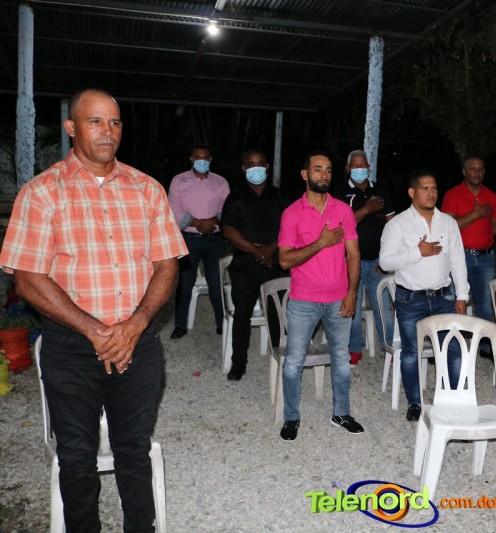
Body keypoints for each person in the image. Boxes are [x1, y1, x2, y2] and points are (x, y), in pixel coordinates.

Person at [0, 88, 187, 531]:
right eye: (95, 121)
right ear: (71, 127)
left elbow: (167, 266)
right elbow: (28, 278)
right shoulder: (41, 193)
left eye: (115, 122)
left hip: (137, 345)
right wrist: (97, 332)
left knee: (133, 450)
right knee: (78, 457)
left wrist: (135, 325)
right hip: (71, 349)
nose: (108, 131)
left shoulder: (147, 189)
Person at [277, 151, 364, 441]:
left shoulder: (343, 210)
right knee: (293, 362)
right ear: (305, 175)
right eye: (317, 169)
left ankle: (341, 413)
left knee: (341, 359)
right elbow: (284, 260)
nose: (323, 174)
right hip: (304, 300)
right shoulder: (292, 213)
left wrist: (351, 293)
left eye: (328, 170)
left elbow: (354, 254)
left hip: (339, 298)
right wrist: (321, 243)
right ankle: (291, 417)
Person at [379, 170, 470, 422]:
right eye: (425, 188)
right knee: (411, 352)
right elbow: (385, 262)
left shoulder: (448, 223)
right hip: (411, 298)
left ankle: (453, 400)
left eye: (434, 188)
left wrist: (461, 296)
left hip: (444, 297)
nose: (431, 193)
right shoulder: (398, 224)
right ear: (412, 192)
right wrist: (418, 252)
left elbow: (458, 260)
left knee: (453, 348)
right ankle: (415, 402)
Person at [220, 149, 286, 381]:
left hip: (275, 263)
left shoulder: (279, 196)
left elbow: (291, 228)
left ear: (267, 166)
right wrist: (257, 250)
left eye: (260, 163)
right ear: (243, 168)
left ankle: (282, 359)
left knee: (278, 313)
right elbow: (228, 230)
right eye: (250, 164)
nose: (255, 168)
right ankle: (238, 362)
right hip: (244, 265)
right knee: (242, 315)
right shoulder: (235, 197)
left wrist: (270, 249)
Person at [333, 149, 395, 366]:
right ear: (347, 168)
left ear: (369, 167)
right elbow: (339, 227)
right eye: (355, 166)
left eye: (363, 165)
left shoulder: (380, 192)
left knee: (384, 308)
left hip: (378, 262)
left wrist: (386, 259)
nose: (359, 169)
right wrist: (367, 209)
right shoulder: (339, 193)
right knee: (352, 307)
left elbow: (393, 227)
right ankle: (354, 349)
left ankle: (390, 348)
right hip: (350, 261)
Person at [442, 155, 496, 358]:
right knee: (454, 301)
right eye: (473, 169)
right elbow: (448, 227)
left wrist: (480, 236)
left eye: (480, 169)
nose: (477, 172)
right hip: (460, 257)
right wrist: (476, 215)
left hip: (485, 258)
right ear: (464, 172)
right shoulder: (452, 194)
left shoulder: (491, 195)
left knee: (485, 304)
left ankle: (485, 346)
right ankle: (451, 346)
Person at [168, 143, 230, 339]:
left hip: (215, 240)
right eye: (198, 157)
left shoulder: (221, 182)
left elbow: (227, 208)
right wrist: (197, 223)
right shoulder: (179, 180)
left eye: (205, 158)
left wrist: (213, 221)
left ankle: (222, 324)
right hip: (188, 239)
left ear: (210, 159)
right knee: (185, 282)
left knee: (216, 282)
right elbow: (174, 209)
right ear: (191, 159)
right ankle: (180, 324)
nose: (201, 161)